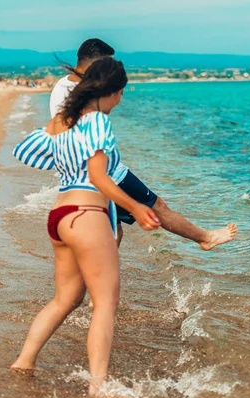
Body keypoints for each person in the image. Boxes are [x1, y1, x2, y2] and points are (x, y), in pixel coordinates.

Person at [10, 58, 160, 397]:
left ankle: (24, 361)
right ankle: (98, 385)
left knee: (66, 299)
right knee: (105, 303)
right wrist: (136, 206)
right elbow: (98, 178)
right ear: (110, 92)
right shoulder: (98, 123)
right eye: (120, 93)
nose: (120, 100)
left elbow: (28, 151)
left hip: (59, 215)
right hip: (87, 214)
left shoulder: (63, 120)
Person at [51, 38, 237, 250]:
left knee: (115, 230)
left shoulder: (63, 85)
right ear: (96, 64)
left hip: (85, 175)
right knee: (156, 206)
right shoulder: (82, 92)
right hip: (105, 175)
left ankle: (96, 276)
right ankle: (205, 238)